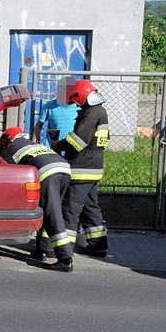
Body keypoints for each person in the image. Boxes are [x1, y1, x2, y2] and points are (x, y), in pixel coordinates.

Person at [0, 127, 74, 272]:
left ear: (8, 139)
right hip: (64, 170)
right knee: (48, 212)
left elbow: (2, 169)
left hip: (48, 174)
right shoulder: (31, 144)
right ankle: (42, 250)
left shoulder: (11, 149)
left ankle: (65, 259)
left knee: (53, 216)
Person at [55, 80, 110, 257]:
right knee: (90, 208)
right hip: (93, 168)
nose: (76, 104)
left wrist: (59, 145)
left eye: (76, 100)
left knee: (70, 209)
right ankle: (98, 246)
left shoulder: (91, 113)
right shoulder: (100, 111)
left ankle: (65, 251)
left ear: (81, 95)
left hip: (81, 169)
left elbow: (77, 141)